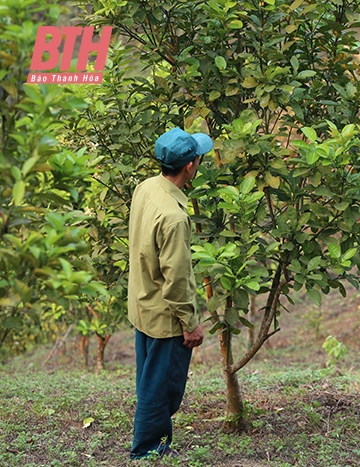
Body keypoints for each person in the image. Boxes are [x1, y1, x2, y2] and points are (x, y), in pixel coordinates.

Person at [127, 127, 213, 459]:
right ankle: (148, 451)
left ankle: (154, 442)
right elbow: (176, 280)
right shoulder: (174, 217)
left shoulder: (146, 187)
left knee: (150, 379)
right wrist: (190, 324)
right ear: (190, 165)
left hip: (142, 304)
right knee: (161, 388)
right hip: (165, 316)